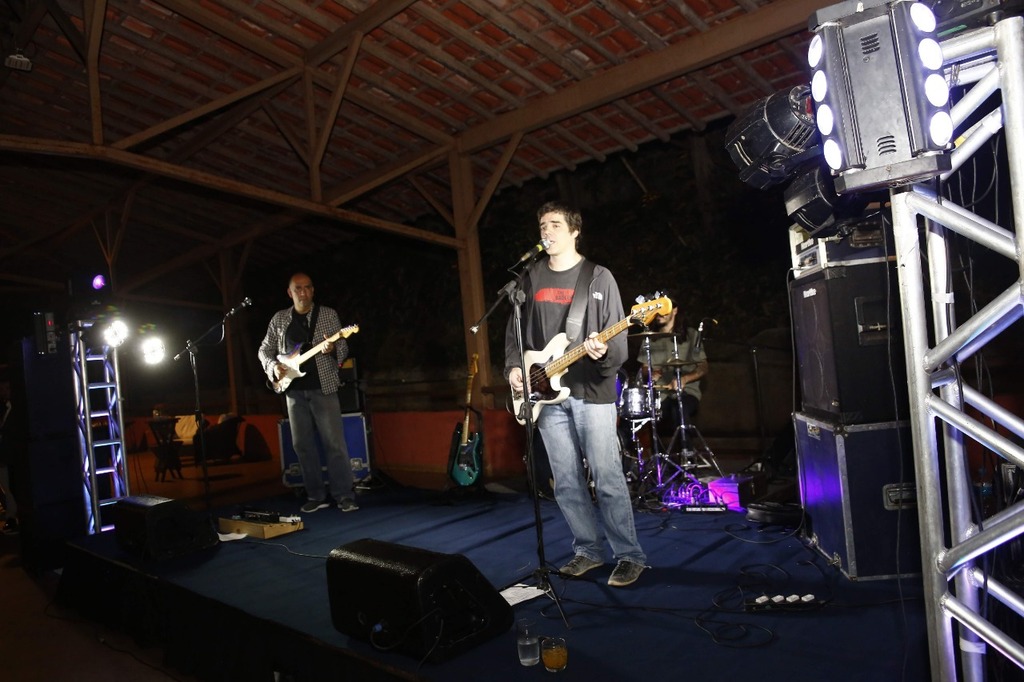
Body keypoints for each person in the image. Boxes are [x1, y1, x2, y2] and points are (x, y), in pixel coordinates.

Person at [504, 201, 646, 588]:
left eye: (554, 224)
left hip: (592, 391)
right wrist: (515, 367)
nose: (546, 231)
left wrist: (602, 352)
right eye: (542, 225)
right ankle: (588, 550)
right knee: (565, 480)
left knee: (606, 475)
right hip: (544, 394)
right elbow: (513, 331)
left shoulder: (598, 277)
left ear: (574, 231)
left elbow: (619, 345)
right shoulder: (529, 278)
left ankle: (629, 556)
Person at [259, 273, 358, 513]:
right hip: (293, 391)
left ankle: (344, 495)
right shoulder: (279, 319)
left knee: (334, 444)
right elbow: (264, 349)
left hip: (324, 387)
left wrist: (332, 349)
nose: (303, 292)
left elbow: (343, 347)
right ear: (289, 292)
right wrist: (273, 367)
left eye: (307, 288)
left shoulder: (328, 315)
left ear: (313, 291)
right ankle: (316, 495)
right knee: (302, 445)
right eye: (298, 288)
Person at [636, 303, 708, 453]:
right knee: (642, 415)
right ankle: (658, 459)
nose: (659, 313)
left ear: (674, 310)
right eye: (657, 310)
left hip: (688, 393)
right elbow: (644, 368)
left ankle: (687, 458)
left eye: (664, 309)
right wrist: (650, 374)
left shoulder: (692, 335)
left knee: (679, 410)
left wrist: (685, 379)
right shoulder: (649, 338)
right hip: (660, 396)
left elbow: (703, 367)